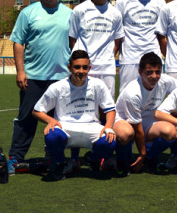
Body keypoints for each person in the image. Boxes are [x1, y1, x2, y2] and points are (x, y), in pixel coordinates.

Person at [8, 0, 72, 174]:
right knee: (26, 119)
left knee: (58, 119)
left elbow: (74, 43)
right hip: (33, 77)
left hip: (60, 78)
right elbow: (18, 42)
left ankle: (54, 157)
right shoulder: (28, 13)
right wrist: (20, 71)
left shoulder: (69, 14)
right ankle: (15, 157)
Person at [68, 0, 124, 172]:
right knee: (79, 110)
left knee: (105, 112)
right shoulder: (80, 10)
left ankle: (104, 156)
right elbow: (73, 40)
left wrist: (107, 58)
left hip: (107, 68)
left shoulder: (115, 13)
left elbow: (117, 41)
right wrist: (84, 63)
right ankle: (74, 158)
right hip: (85, 69)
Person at [32, 50, 117, 181]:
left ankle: (92, 158)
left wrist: (108, 127)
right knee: (51, 135)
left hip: (91, 126)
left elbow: (110, 109)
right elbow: (37, 110)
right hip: (65, 128)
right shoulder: (58, 87)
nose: (81, 71)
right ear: (69, 68)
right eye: (77, 67)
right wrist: (50, 120)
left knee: (110, 142)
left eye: (84, 67)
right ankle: (60, 163)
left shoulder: (98, 84)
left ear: (89, 68)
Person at [113, 52, 177, 175]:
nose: (154, 76)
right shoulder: (132, 92)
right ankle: (121, 158)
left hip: (149, 119)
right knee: (126, 134)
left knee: (170, 132)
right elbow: (137, 129)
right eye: (149, 72)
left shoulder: (165, 80)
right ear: (140, 72)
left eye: (157, 72)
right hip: (125, 121)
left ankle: (150, 156)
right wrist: (141, 153)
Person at [115, 0, 166, 92]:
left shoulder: (160, 2)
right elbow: (117, 33)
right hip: (130, 58)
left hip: (153, 58)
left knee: (153, 99)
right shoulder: (123, 1)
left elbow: (162, 35)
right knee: (127, 97)